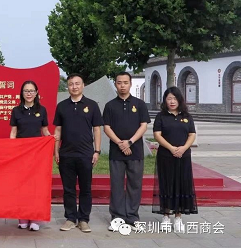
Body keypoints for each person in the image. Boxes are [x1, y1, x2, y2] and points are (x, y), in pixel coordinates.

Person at [53, 73, 103, 233]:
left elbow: (97, 129)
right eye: (71, 84)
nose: (74, 87)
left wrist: (97, 151)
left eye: (77, 83)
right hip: (66, 154)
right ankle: (70, 218)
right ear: (67, 86)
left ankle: (83, 219)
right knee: (68, 189)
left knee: (85, 188)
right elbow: (58, 130)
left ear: (83, 85)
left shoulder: (92, 105)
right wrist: (56, 151)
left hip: (86, 154)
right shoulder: (62, 106)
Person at [103, 72, 151, 231]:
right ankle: (117, 217)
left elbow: (143, 126)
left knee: (134, 184)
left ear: (130, 84)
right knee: (116, 185)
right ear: (115, 84)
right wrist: (120, 143)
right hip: (116, 153)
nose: (122, 85)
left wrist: (130, 142)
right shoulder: (110, 105)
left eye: (125, 82)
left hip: (135, 151)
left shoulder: (140, 104)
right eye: (119, 82)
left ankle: (132, 216)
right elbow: (107, 127)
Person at [152, 86, 198, 233]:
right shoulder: (161, 116)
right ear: (165, 100)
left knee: (182, 184)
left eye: (175, 98)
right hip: (166, 156)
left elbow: (192, 134)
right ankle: (166, 215)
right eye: (169, 98)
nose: (172, 101)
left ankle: (178, 216)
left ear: (180, 100)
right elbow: (157, 135)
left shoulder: (187, 116)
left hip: (183, 156)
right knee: (167, 184)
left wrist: (183, 148)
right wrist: (171, 148)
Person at [9, 80, 52, 231]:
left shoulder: (42, 110)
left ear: (36, 93)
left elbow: (45, 130)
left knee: (35, 185)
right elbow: (13, 132)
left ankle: (35, 218)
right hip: (21, 153)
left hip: (37, 154)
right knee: (21, 185)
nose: (29, 93)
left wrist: (51, 139)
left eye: (31, 91)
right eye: (26, 91)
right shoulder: (16, 111)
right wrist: (11, 150)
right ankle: (22, 217)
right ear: (22, 93)